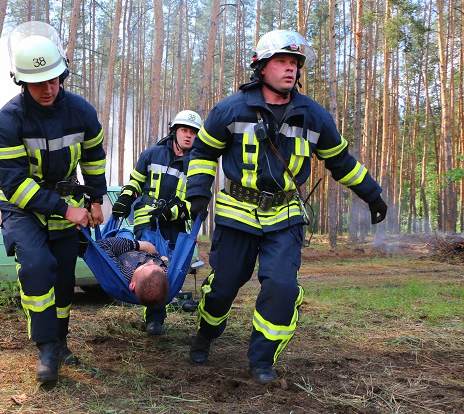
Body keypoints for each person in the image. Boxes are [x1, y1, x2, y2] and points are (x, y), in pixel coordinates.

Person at [185, 29, 388, 385]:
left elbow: (341, 162)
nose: (290, 69)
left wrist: (372, 193)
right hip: (237, 213)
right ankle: (206, 333)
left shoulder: (314, 116)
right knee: (223, 287)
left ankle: (262, 358)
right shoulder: (231, 109)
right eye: (281, 61)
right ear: (261, 67)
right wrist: (198, 193)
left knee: (282, 287)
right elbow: (203, 152)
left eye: (294, 63)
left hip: (286, 214)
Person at [0, 21, 107, 384]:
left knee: (64, 276)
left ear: (63, 73)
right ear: (21, 81)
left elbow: (94, 157)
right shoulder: (6, 123)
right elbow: (15, 185)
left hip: (68, 204)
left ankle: (61, 340)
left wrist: (98, 198)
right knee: (38, 266)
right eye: (39, 83)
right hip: (23, 208)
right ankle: (46, 348)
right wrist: (66, 209)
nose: (48, 89)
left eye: (54, 79)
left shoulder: (81, 111)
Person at [111, 110, 203, 336]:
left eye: (193, 132)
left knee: (167, 270)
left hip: (175, 227)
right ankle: (154, 319)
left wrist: (173, 212)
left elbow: (198, 202)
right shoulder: (152, 154)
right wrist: (124, 199)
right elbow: (135, 182)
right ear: (174, 131)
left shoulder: (199, 163)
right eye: (184, 130)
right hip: (147, 224)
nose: (188, 136)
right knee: (151, 268)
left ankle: (156, 318)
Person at [96, 237, 170, 307]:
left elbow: (101, 245)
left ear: (132, 285)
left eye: (146, 266)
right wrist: (165, 260)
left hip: (124, 246)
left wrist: (140, 245)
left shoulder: (123, 273)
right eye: (155, 265)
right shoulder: (165, 274)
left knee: (124, 231)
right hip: (153, 246)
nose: (151, 261)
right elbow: (170, 268)